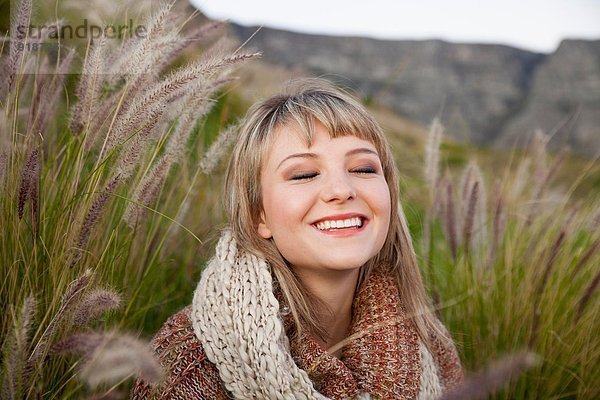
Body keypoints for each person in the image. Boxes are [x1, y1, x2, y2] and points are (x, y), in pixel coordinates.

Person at [132, 78, 463, 399]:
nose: (342, 190)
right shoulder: (185, 363)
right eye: (304, 174)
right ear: (258, 216)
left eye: (363, 168)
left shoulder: (430, 348)